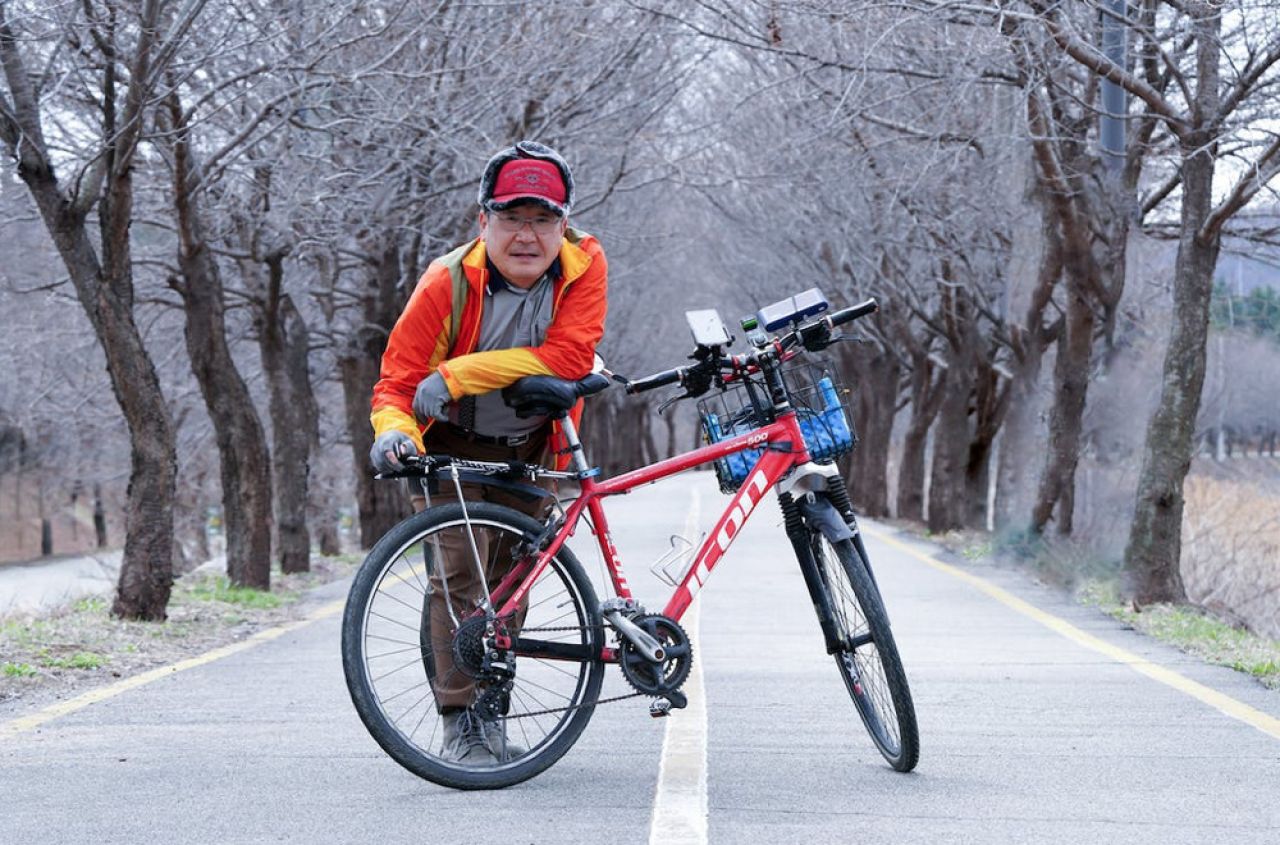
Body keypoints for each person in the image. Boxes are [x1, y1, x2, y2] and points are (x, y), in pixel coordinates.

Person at [367, 141, 608, 764]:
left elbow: (569, 359)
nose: (526, 236)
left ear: (565, 224)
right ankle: (459, 720)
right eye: (510, 218)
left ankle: (492, 711)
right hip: (454, 445)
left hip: (535, 444)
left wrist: (457, 375)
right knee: (458, 577)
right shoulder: (445, 282)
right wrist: (394, 432)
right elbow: (396, 383)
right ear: (483, 223)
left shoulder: (585, 265)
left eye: (542, 219)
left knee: (514, 580)